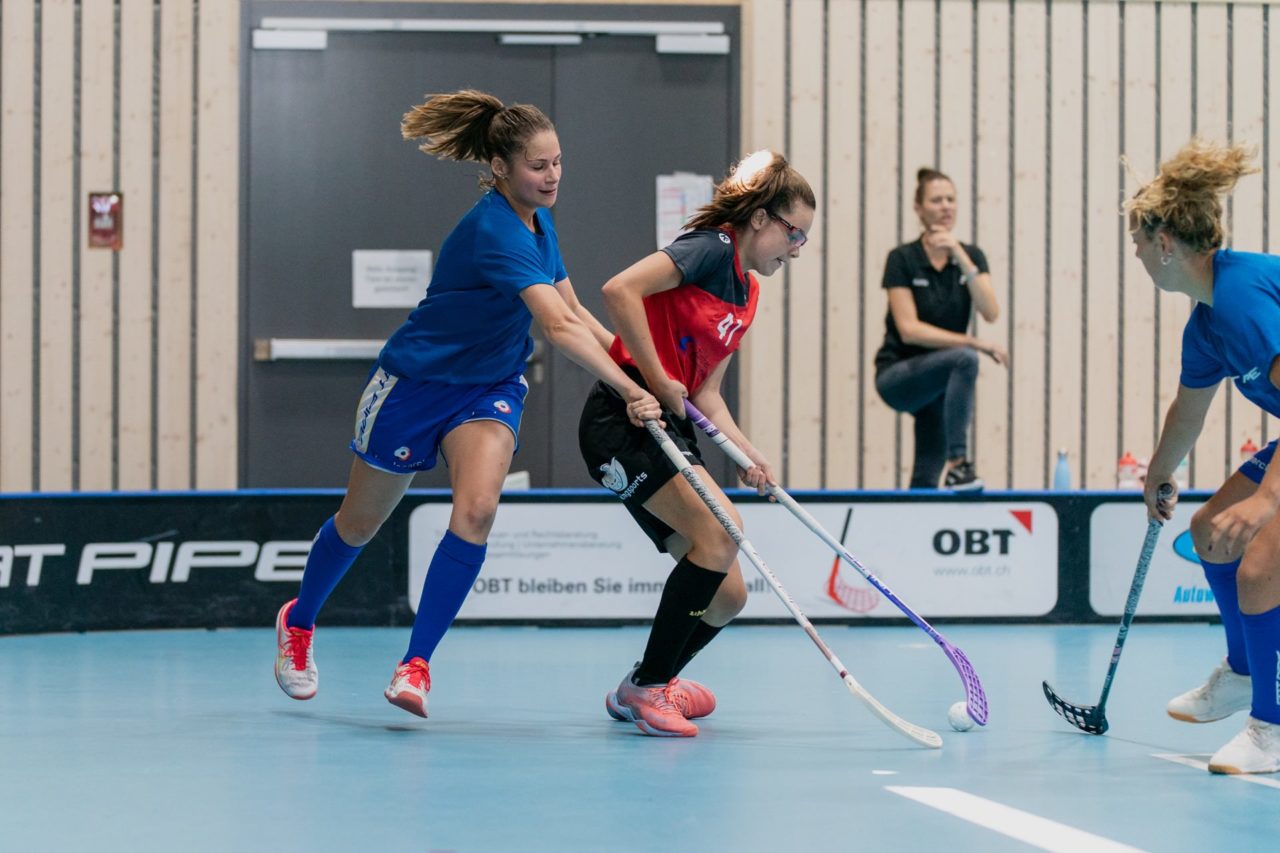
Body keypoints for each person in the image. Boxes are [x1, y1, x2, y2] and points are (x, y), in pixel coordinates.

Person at [273, 90, 662, 718]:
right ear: (502, 167)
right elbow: (556, 330)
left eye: (558, 161)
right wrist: (630, 390)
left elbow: (575, 311)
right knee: (359, 524)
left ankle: (416, 664)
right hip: (414, 387)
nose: (553, 175)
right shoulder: (493, 229)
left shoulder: (540, 221)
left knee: (476, 510)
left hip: (490, 387)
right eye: (539, 166)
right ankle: (299, 620)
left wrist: (634, 366)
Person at [579, 150, 816, 737]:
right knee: (719, 533)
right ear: (761, 218)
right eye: (795, 234)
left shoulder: (748, 293)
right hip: (623, 416)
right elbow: (619, 290)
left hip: (671, 423)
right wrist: (657, 378)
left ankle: (643, 683)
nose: (795, 250)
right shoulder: (709, 248)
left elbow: (706, 393)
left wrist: (747, 452)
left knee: (727, 593)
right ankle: (651, 689)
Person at [1137, 138, 1280, 774]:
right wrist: (1159, 472)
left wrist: (1269, 500)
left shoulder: (1247, 297)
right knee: (1208, 534)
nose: (1137, 256)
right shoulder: (1207, 320)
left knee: (1257, 569)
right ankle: (1245, 675)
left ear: (1165, 243)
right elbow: (1188, 410)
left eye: (1139, 244)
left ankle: (1271, 731)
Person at [873, 168, 1006, 491]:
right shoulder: (903, 259)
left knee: (925, 479)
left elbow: (990, 311)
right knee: (965, 358)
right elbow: (909, 330)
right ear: (919, 208)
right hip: (899, 375)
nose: (946, 206)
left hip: (940, 385)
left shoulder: (971, 257)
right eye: (936, 200)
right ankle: (960, 463)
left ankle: (914, 531)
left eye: (951, 199)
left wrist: (959, 255)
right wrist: (974, 342)